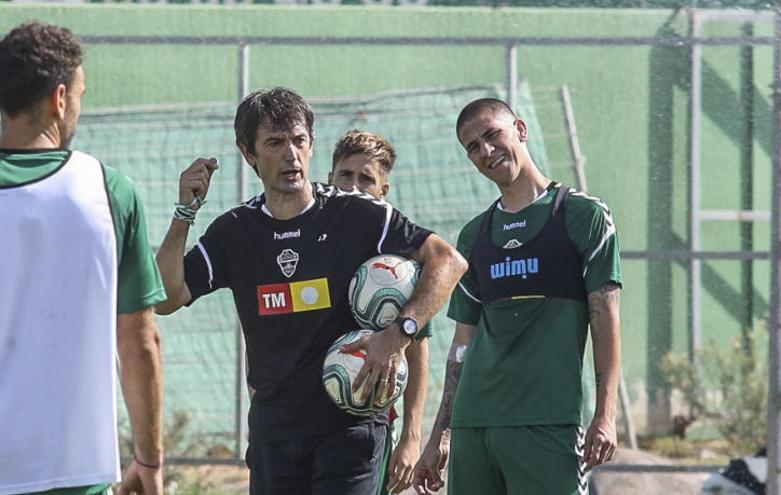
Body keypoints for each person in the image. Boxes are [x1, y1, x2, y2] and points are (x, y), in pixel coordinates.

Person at [154, 87, 466, 494]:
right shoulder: (235, 232)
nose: (291, 154)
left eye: (299, 140)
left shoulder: (358, 216)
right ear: (249, 154)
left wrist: (398, 334)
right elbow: (166, 297)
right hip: (274, 432)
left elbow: (448, 261)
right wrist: (184, 213)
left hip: (350, 429)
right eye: (275, 143)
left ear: (312, 145)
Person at [413, 98, 622, 495]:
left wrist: (605, 415)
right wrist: (441, 435)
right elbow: (461, 346)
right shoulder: (474, 236)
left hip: (546, 422)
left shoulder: (582, 215)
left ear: (520, 130)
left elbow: (605, 316)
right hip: (474, 426)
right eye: (473, 146)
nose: (486, 151)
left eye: (492, 135)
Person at [0, 22, 165, 495]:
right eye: (79, 94)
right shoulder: (107, 191)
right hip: (75, 471)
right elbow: (140, 341)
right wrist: (149, 461)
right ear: (59, 99)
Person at [328, 129, 431, 495]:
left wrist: (411, 438)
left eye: (366, 179)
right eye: (346, 175)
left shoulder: (398, 269)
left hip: (365, 425)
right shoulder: (306, 240)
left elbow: (417, 352)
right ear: (329, 178)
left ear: (383, 191)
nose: (354, 187)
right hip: (295, 427)